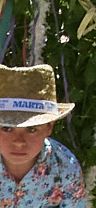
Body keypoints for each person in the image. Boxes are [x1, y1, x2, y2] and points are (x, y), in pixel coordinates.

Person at [0, 65, 86, 203]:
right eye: (7, 129)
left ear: (49, 127)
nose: (19, 142)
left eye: (32, 129)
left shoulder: (65, 167)